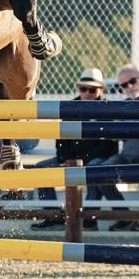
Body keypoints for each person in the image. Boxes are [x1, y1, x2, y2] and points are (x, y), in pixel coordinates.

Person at [85, 64, 139, 231]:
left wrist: (131, 127)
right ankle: (124, 216)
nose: (129, 87)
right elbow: (118, 133)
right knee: (100, 172)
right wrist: (137, 126)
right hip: (128, 157)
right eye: (124, 85)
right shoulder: (125, 104)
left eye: (132, 81)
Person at [29, 68, 117, 231]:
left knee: (94, 170)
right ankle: (52, 216)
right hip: (75, 158)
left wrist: (79, 160)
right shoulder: (71, 108)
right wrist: (67, 159)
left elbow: (108, 146)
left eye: (92, 89)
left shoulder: (107, 110)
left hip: (96, 159)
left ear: (101, 90)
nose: (87, 93)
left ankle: (90, 219)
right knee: (42, 168)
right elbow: (62, 139)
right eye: (83, 89)